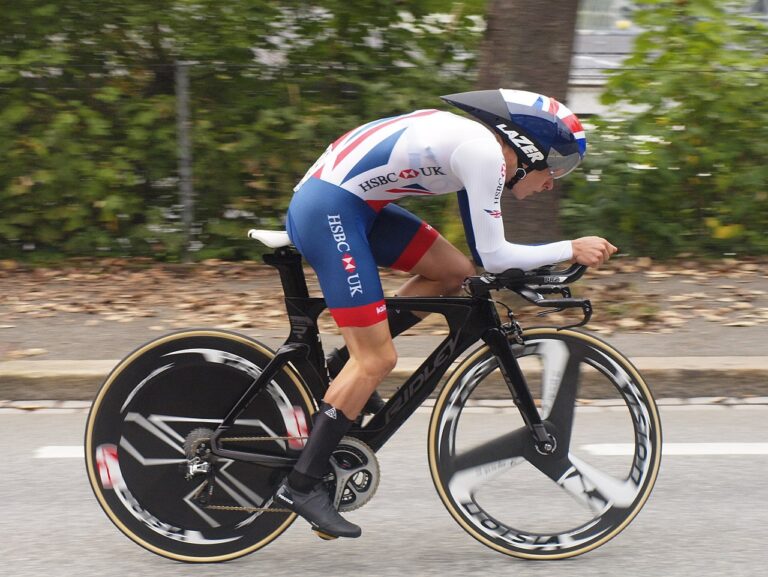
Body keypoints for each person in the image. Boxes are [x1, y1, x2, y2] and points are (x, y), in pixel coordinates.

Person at [274, 89, 617, 538]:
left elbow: (478, 257)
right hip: (330, 211)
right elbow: (495, 256)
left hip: (354, 207)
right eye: (556, 167)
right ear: (527, 148)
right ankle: (301, 484)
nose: (552, 181)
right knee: (376, 360)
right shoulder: (484, 153)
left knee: (452, 273)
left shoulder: (478, 148)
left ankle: (341, 364)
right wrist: (568, 248)